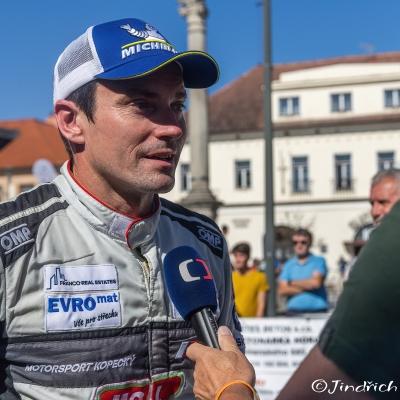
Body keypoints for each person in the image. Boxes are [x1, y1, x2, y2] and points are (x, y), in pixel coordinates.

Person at [0, 18, 243, 399]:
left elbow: (228, 366)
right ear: (71, 121)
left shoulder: (203, 240)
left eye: (177, 104)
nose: (173, 128)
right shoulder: (11, 244)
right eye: (142, 104)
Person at [278, 228, 328, 313]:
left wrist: (290, 283)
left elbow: (316, 283)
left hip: (317, 311)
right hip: (294, 311)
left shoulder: (318, 261)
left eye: (303, 242)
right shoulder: (288, 265)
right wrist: (306, 287)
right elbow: (282, 290)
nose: (299, 245)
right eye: (295, 243)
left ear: (310, 243)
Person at [231, 242, 269, 317]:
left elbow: (261, 304)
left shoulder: (260, 277)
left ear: (248, 257)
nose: (238, 259)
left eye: (241, 256)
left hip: (251, 322)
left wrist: (258, 322)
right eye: (236, 256)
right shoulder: (230, 277)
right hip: (232, 321)